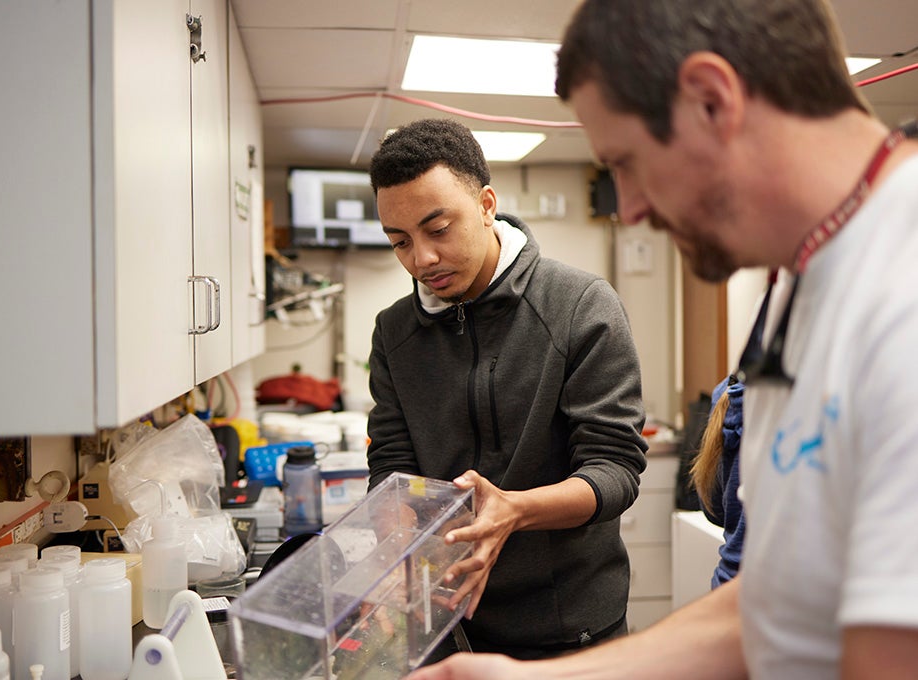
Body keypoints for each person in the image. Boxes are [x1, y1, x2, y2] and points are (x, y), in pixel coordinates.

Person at [408, 0, 918, 677]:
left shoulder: (901, 290)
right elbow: (777, 601)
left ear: (712, 100)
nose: (634, 207)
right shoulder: (801, 284)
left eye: (625, 163)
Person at [366, 118, 649, 660]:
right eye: (399, 242)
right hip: (448, 627)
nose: (421, 259)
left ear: (487, 204)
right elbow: (394, 468)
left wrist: (514, 509)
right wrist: (394, 544)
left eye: (438, 228)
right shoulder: (394, 332)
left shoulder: (579, 306)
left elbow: (614, 471)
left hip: (569, 631)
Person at [690, 374, 745, 588]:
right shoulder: (815, 400)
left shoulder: (727, 389)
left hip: (726, 584)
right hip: (772, 602)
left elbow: (716, 509)